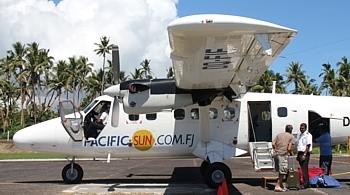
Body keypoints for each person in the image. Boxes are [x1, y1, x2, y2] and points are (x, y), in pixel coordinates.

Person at [272, 124, 295, 192]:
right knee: (283, 171)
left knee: (279, 170)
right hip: (282, 154)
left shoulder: (279, 135)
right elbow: (289, 148)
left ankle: (281, 185)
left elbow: (273, 144)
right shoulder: (291, 137)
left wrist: (276, 149)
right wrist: (291, 153)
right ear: (291, 130)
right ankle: (277, 185)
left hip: (276, 154)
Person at [296, 123, 313, 189]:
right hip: (300, 153)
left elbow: (307, 145)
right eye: (300, 128)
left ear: (305, 128)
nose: (301, 129)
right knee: (302, 169)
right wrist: (298, 155)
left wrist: (305, 155)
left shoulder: (308, 135)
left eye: (302, 128)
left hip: (304, 153)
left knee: (304, 169)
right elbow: (299, 145)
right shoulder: (300, 135)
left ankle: (306, 183)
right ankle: (305, 182)